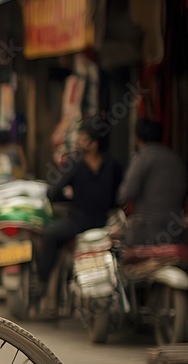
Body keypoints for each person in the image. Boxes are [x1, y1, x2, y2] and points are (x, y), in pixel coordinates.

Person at [37, 120, 124, 289]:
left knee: (49, 234)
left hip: (80, 221)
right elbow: (119, 197)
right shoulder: (113, 165)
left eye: (82, 138)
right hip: (103, 221)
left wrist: (68, 201)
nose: (78, 142)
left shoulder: (76, 165)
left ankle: (43, 284)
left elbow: (53, 193)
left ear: (94, 143)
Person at [117, 118, 188, 247]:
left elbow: (126, 192)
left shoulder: (142, 158)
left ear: (137, 138)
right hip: (176, 228)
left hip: (148, 231)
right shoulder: (176, 158)